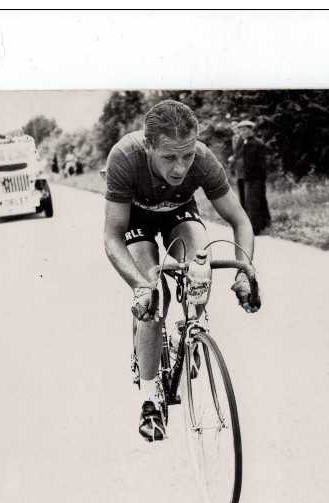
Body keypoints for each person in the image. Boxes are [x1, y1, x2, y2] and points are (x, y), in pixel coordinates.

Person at [103, 100, 260, 442]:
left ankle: (189, 329)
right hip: (136, 222)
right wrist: (139, 286)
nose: (180, 168)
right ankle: (149, 403)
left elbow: (240, 221)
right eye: (169, 157)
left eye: (186, 156)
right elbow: (112, 236)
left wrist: (243, 270)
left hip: (178, 214)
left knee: (200, 256)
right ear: (149, 147)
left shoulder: (202, 160)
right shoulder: (125, 157)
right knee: (152, 293)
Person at [229, 120, 271, 235]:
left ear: (250, 130)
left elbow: (261, 164)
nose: (242, 132)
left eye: (244, 130)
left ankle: (256, 228)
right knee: (245, 201)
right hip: (243, 176)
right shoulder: (243, 143)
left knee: (253, 202)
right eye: (241, 130)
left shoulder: (257, 144)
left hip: (254, 177)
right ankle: (248, 225)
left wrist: (260, 178)